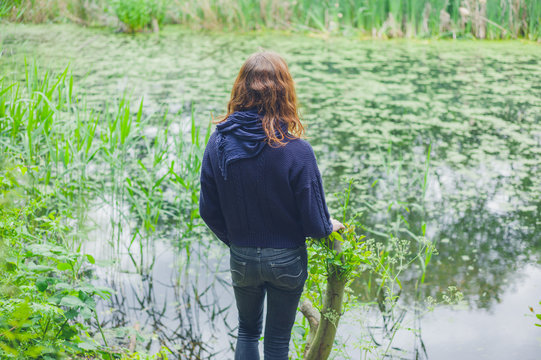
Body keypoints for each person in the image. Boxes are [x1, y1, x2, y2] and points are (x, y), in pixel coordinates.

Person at [199, 50, 344, 360]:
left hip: (242, 255)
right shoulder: (297, 151)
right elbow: (316, 225)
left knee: (247, 331)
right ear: (284, 93)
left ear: (240, 90)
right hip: (287, 261)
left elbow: (208, 210)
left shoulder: (218, 143)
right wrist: (328, 226)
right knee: (277, 342)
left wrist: (238, 240)